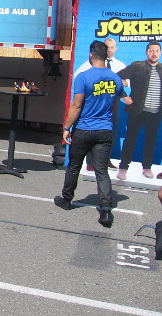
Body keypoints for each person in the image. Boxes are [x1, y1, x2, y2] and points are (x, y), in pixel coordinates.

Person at [54, 40, 124, 228]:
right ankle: (106, 210)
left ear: (91, 55)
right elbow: (114, 105)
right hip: (105, 130)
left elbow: (76, 106)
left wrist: (67, 128)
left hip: (84, 129)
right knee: (102, 171)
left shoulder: (84, 77)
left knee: (74, 167)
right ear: (107, 56)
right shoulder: (116, 79)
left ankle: (66, 200)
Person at [74, 38, 128, 170]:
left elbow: (127, 82)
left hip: (111, 104)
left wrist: (113, 80)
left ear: (116, 49)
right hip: (93, 104)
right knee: (90, 132)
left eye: (112, 47)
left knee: (110, 134)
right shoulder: (89, 64)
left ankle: (105, 160)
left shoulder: (120, 65)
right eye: (107, 47)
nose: (109, 50)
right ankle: (90, 163)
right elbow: (77, 76)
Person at [116, 41, 162, 180]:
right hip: (137, 111)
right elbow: (116, 77)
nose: (154, 54)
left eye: (157, 51)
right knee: (130, 139)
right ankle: (123, 167)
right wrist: (124, 96)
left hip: (155, 113)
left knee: (151, 141)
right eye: (151, 51)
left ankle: (147, 167)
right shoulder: (137, 66)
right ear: (146, 52)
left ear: (160, 52)